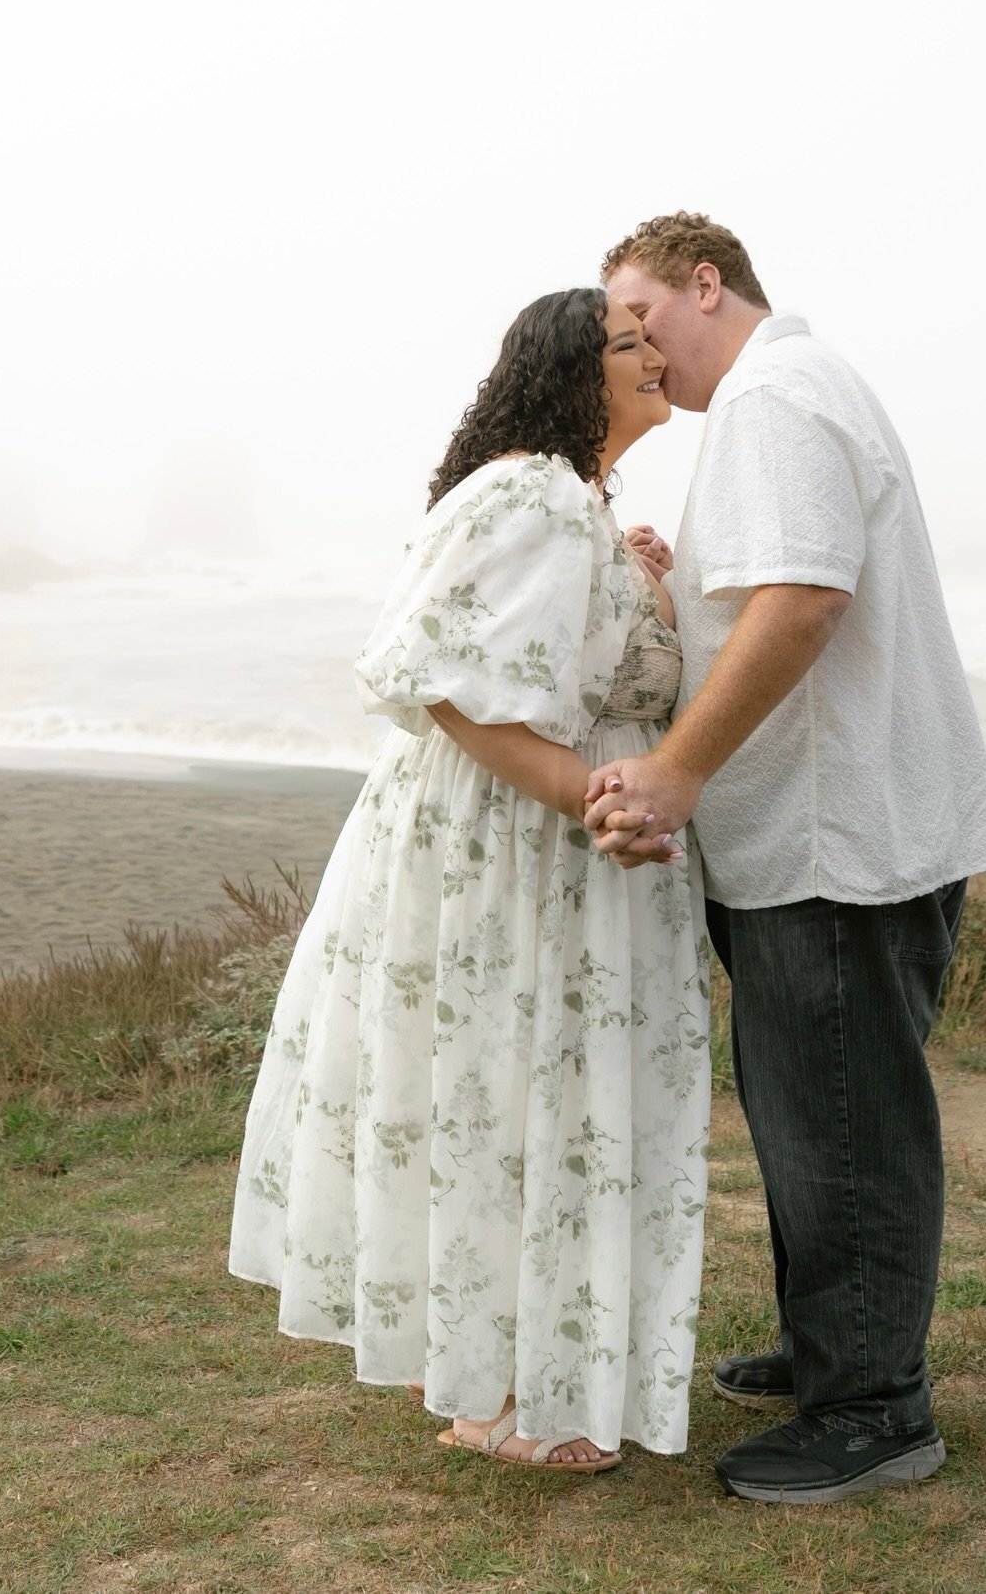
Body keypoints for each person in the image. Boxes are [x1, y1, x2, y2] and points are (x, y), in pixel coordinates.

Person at [229, 287, 711, 1473]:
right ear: (565, 372)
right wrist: (589, 798)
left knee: (506, 1100)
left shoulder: (573, 504)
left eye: (650, 338)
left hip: (534, 846)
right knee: (510, 1098)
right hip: (518, 850)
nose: (652, 356)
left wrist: (635, 580)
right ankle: (506, 1398)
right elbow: (444, 681)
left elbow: (556, 663)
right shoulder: (536, 491)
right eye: (625, 344)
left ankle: (499, 1379)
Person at [584, 212, 986, 1503]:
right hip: (824, 844)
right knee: (810, 1113)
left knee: (844, 1124)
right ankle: (837, 1348)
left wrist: (676, 770)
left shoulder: (774, 396)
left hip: (842, 849)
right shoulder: (783, 395)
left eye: (641, 316)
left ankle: (875, 1405)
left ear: (708, 284)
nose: (635, 348)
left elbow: (805, 598)